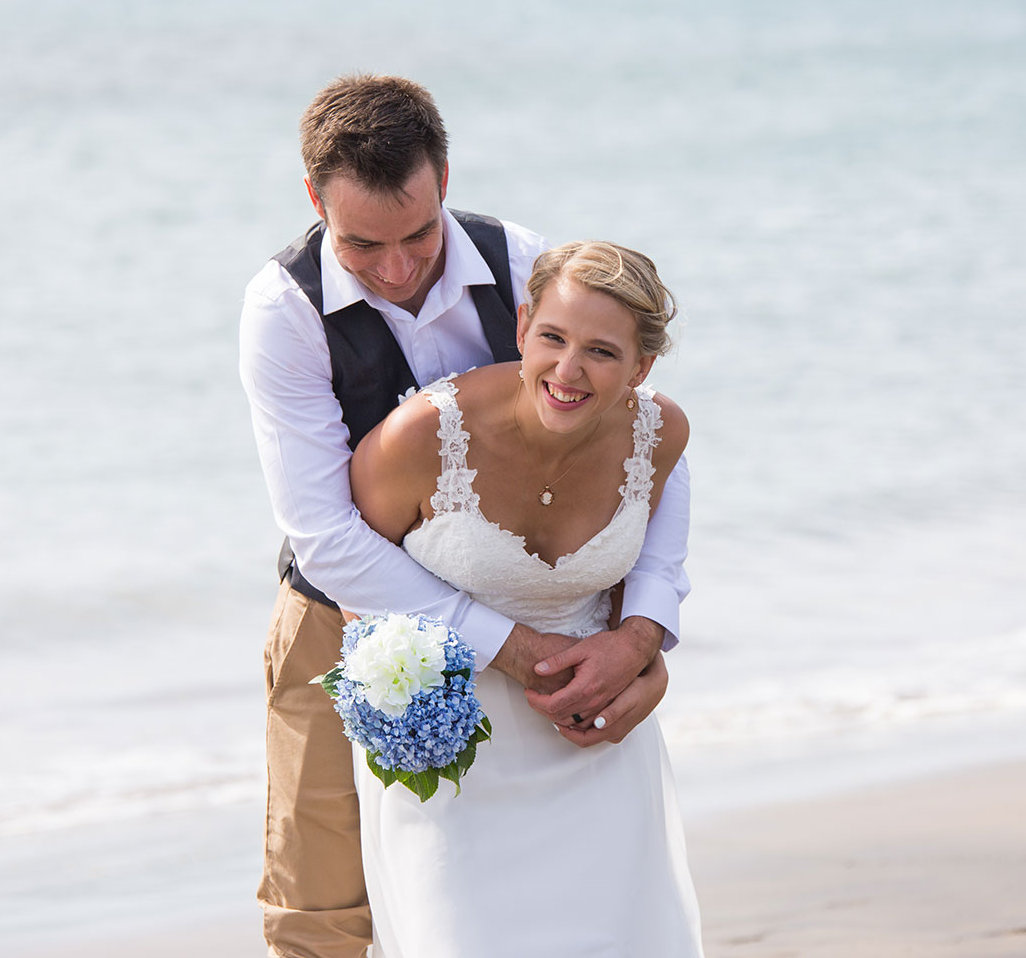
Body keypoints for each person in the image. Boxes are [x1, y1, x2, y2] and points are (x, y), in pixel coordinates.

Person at [238, 74, 692, 958]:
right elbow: (327, 536)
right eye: (364, 244)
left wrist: (642, 637)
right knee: (318, 912)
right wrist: (511, 648)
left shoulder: (526, 266)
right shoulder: (283, 310)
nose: (400, 270)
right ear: (313, 199)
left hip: (536, 614)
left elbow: (642, 446)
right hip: (345, 619)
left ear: (444, 179)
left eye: (418, 235)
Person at [347, 240, 703, 956]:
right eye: (552, 338)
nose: (568, 372)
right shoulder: (424, 436)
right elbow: (354, 586)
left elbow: (657, 568)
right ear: (521, 327)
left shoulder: (659, 434)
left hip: (593, 747)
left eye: (601, 352)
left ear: (642, 367)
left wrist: (639, 653)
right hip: (446, 758)